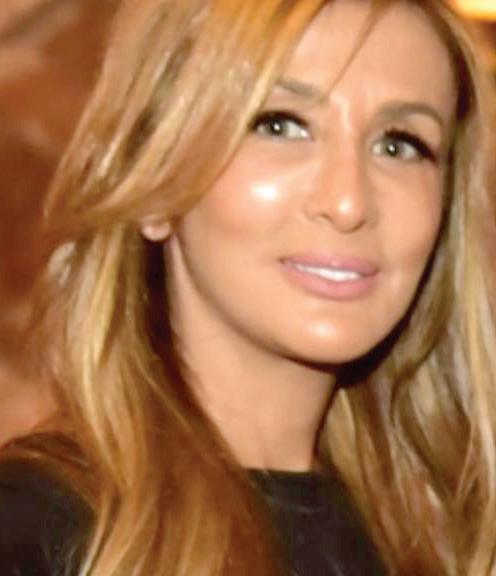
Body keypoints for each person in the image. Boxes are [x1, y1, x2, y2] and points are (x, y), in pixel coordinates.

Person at [1, 0, 495, 574]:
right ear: (157, 183)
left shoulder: (450, 544)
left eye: (399, 144)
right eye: (280, 125)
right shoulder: (41, 532)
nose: (348, 202)